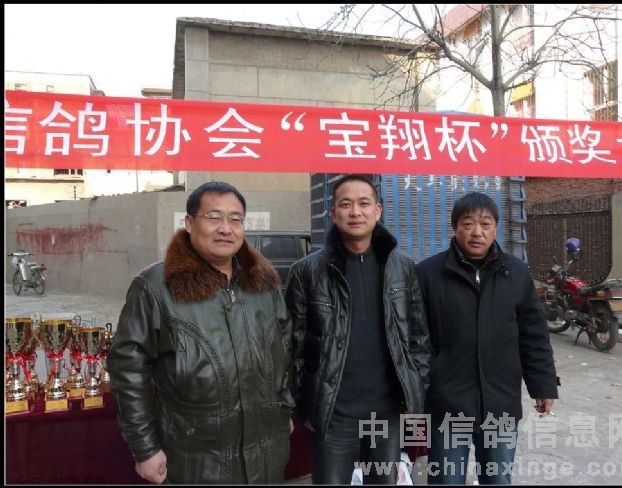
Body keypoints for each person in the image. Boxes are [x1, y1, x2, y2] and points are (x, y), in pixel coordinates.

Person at [107, 181, 294, 484]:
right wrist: (145, 449)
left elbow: (284, 349)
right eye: (214, 217)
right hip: (194, 456)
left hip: (265, 450)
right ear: (190, 223)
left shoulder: (263, 283)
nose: (226, 228)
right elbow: (127, 369)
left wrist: (283, 408)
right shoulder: (156, 287)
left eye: (235, 219)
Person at [285, 174, 432, 484]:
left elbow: (418, 338)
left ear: (377, 210)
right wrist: (304, 406)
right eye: (346, 204)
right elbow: (292, 347)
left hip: (387, 413)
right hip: (332, 415)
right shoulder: (306, 272)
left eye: (364, 203)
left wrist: (413, 394)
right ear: (333, 213)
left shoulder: (402, 267)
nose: (355, 212)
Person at [416, 191, 559, 485]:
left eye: (485, 224)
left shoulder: (516, 273)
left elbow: (533, 335)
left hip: (501, 403)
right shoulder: (428, 274)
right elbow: (416, 341)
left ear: (496, 228)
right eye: (468, 224)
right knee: (446, 480)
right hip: (448, 404)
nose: (477, 232)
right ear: (454, 227)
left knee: (497, 479)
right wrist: (419, 391)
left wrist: (543, 385)